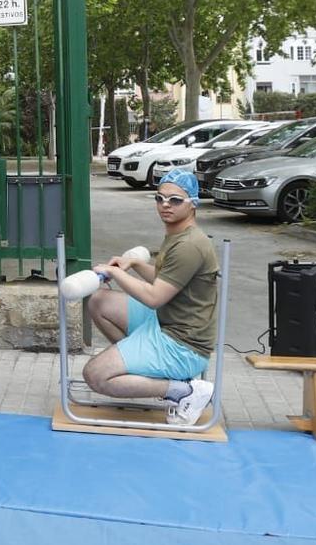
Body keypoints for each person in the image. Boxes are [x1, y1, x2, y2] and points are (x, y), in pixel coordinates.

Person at [79, 168, 219, 425]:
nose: (165, 205)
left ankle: (181, 391)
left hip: (181, 345)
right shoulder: (179, 233)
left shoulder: (189, 245)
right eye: (160, 198)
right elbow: (165, 280)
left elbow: (155, 297)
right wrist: (131, 264)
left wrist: (114, 272)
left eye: (175, 200)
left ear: (193, 203)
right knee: (99, 301)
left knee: (95, 375)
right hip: (164, 324)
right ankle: (144, 370)